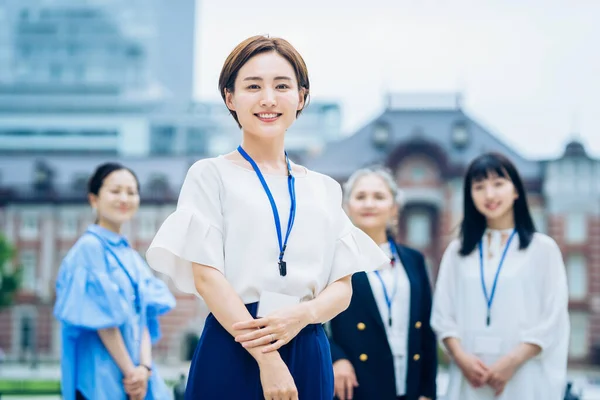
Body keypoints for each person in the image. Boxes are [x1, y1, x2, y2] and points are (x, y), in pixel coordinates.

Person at [145, 35, 389, 400]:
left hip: (306, 343)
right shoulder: (209, 174)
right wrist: (268, 360)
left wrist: (302, 316)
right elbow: (208, 278)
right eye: (253, 86)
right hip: (235, 341)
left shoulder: (324, 188)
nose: (268, 99)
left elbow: (342, 288)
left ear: (301, 97)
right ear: (230, 97)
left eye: (282, 86)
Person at [431, 152, 569, 400]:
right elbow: (442, 314)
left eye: (498, 184)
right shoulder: (458, 251)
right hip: (468, 377)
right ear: (469, 195)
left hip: (524, 375)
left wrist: (511, 362)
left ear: (516, 190)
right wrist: (461, 358)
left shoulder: (542, 249)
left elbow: (554, 316)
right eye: (479, 187)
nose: (489, 195)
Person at [54, 163, 176, 400]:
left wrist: (145, 368)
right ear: (94, 199)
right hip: (100, 380)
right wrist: (132, 374)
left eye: (131, 192)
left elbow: (143, 317)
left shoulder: (129, 255)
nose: (124, 198)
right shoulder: (89, 249)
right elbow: (102, 320)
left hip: (136, 380)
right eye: (115, 190)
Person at [327, 167, 438, 400]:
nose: (369, 204)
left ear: (394, 208)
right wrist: (335, 358)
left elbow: (426, 330)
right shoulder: (331, 257)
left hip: (411, 387)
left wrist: (428, 391)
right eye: (360, 197)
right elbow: (311, 320)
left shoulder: (413, 260)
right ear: (347, 207)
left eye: (379, 197)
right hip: (356, 385)